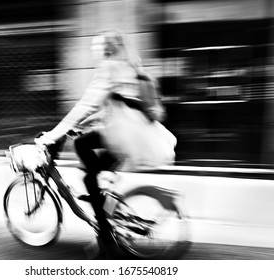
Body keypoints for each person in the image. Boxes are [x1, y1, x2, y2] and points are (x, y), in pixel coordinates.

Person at [35, 30, 175, 256]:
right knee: (89, 156)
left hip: (123, 137)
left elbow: (87, 104)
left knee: (88, 170)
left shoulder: (109, 67)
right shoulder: (130, 65)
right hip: (135, 135)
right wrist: (79, 127)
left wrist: (53, 134)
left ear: (105, 49)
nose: (94, 51)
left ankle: (105, 234)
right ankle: (104, 199)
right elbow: (113, 107)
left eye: (96, 47)